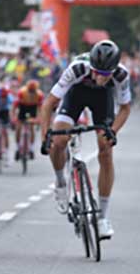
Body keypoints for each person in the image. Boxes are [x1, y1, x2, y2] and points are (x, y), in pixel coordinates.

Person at [39, 40, 131, 239]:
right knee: (59, 141)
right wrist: (45, 135)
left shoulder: (121, 75)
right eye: (96, 71)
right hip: (76, 94)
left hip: (102, 99)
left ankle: (103, 217)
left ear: (113, 71)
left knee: (106, 150)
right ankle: (61, 182)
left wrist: (113, 131)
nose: (99, 77)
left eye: (105, 74)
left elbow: (125, 108)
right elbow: (48, 104)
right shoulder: (77, 68)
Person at [11, 78, 44, 160]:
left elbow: (40, 109)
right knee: (18, 127)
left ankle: (31, 148)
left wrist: (39, 119)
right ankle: (18, 147)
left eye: (33, 91)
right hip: (23, 107)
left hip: (33, 108)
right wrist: (14, 118)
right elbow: (14, 107)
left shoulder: (39, 95)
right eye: (30, 90)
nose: (32, 92)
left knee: (32, 127)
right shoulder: (22, 92)